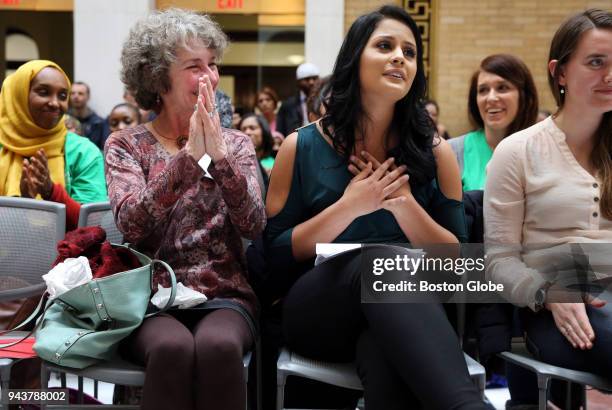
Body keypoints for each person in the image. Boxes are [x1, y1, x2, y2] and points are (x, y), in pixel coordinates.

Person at [264, 5, 486, 409]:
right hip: (319, 311)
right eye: (385, 46)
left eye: (409, 52)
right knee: (380, 261)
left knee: (388, 359)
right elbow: (274, 256)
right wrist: (351, 207)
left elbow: (457, 266)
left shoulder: (436, 155)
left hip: (404, 314)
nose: (400, 57)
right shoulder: (301, 146)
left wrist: (403, 205)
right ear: (354, 59)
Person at [105, 9, 265, 410]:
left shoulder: (237, 143)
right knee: (172, 348)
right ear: (158, 77)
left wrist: (220, 157)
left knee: (217, 345)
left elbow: (254, 224)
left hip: (224, 293)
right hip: (149, 295)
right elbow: (131, 223)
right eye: (194, 67)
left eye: (212, 65)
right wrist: (189, 158)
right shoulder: (126, 144)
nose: (209, 77)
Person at [484, 9, 612, 409]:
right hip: (556, 306)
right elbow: (498, 262)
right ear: (559, 73)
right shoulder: (518, 151)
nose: (609, 75)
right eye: (596, 62)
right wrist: (548, 292)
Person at [0, 60, 107, 231]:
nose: (55, 103)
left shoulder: (84, 152)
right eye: (44, 92)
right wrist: (23, 204)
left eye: (63, 96)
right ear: (18, 94)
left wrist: (51, 191)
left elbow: (94, 224)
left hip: (67, 257)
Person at [449, 54, 538, 191]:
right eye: (483, 90)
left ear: (523, 96)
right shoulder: (452, 152)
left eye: (502, 88)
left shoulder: (543, 152)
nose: (491, 98)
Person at [276, 62, 320, 136]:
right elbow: (280, 133)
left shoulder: (325, 101)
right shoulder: (287, 105)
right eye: (307, 79)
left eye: (314, 78)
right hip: (295, 143)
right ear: (298, 81)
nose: (311, 82)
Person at [68, 81, 107, 150]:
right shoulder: (64, 119)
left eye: (80, 93)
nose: (76, 96)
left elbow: (103, 149)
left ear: (88, 96)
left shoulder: (99, 122)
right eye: (72, 93)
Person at [238, 113, 275, 177]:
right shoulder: (236, 164)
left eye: (252, 128)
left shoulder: (276, 164)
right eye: (243, 129)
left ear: (264, 131)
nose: (247, 132)